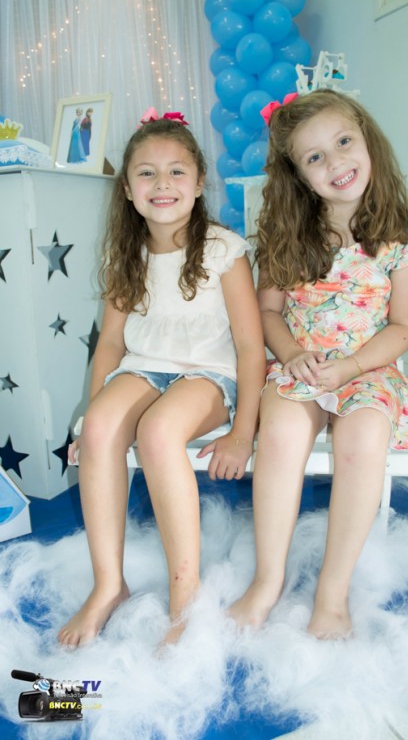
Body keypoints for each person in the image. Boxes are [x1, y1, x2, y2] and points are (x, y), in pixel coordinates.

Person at [58, 114, 265, 648]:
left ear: (198, 183)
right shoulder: (126, 254)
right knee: (100, 428)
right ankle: (108, 584)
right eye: (146, 173)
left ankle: (185, 595)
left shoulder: (223, 250)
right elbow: (111, 343)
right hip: (143, 366)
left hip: (209, 373)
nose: (162, 183)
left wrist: (243, 432)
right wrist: (89, 417)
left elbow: (249, 347)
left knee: (158, 431)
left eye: (176, 171)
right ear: (128, 190)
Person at [229, 89, 408, 640]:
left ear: (368, 140)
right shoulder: (286, 236)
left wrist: (353, 367)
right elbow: (268, 311)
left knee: (364, 438)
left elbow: (403, 327)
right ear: (298, 174)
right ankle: (267, 581)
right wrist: (292, 355)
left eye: (343, 142)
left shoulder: (400, 239)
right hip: (301, 365)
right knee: (281, 432)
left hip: (369, 368)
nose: (336, 162)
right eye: (315, 156)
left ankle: (332, 595)